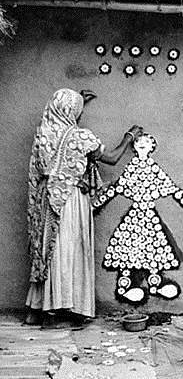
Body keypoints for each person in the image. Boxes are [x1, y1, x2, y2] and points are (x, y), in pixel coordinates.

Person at [24, 88, 143, 328]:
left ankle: (37, 309)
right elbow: (110, 157)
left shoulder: (43, 136)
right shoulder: (80, 137)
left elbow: (60, 148)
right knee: (68, 252)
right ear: (71, 112)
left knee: (48, 252)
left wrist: (77, 101)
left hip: (47, 204)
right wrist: (129, 137)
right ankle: (56, 313)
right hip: (69, 201)